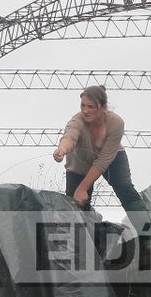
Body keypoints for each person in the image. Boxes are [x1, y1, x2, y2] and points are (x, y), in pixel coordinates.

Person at [52, 85, 145, 215]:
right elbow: (70, 136)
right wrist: (61, 149)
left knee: (125, 188)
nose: (85, 111)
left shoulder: (116, 123)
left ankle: (147, 231)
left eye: (91, 107)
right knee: (76, 204)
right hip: (80, 163)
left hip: (111, 158)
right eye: (83, 105)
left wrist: (82, 188)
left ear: (103, 107)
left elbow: (102, 161)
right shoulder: (76, 121)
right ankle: (82, 233)